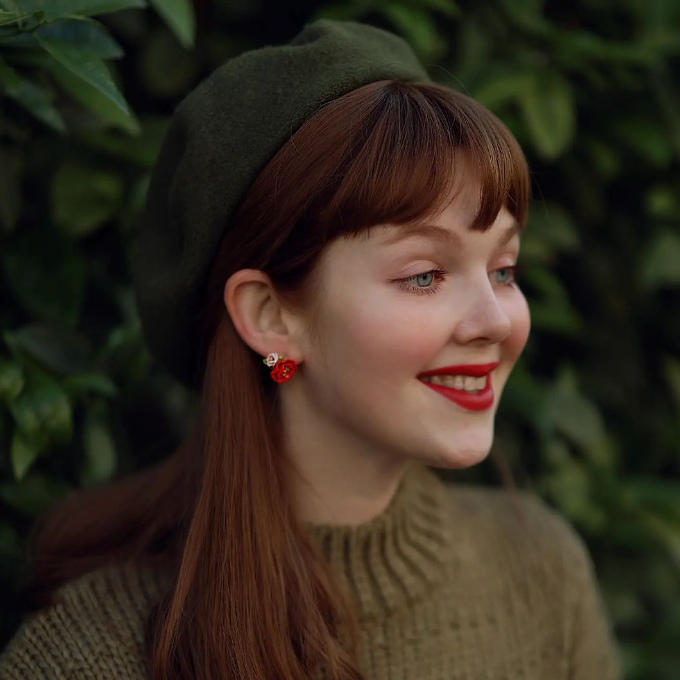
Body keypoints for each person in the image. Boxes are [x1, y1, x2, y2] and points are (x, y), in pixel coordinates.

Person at [0, 18, 622, 680]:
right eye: (425, 275)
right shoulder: (90, 658)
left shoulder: (542, 575)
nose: (495, 320)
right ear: (270, 316)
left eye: (503, 270)